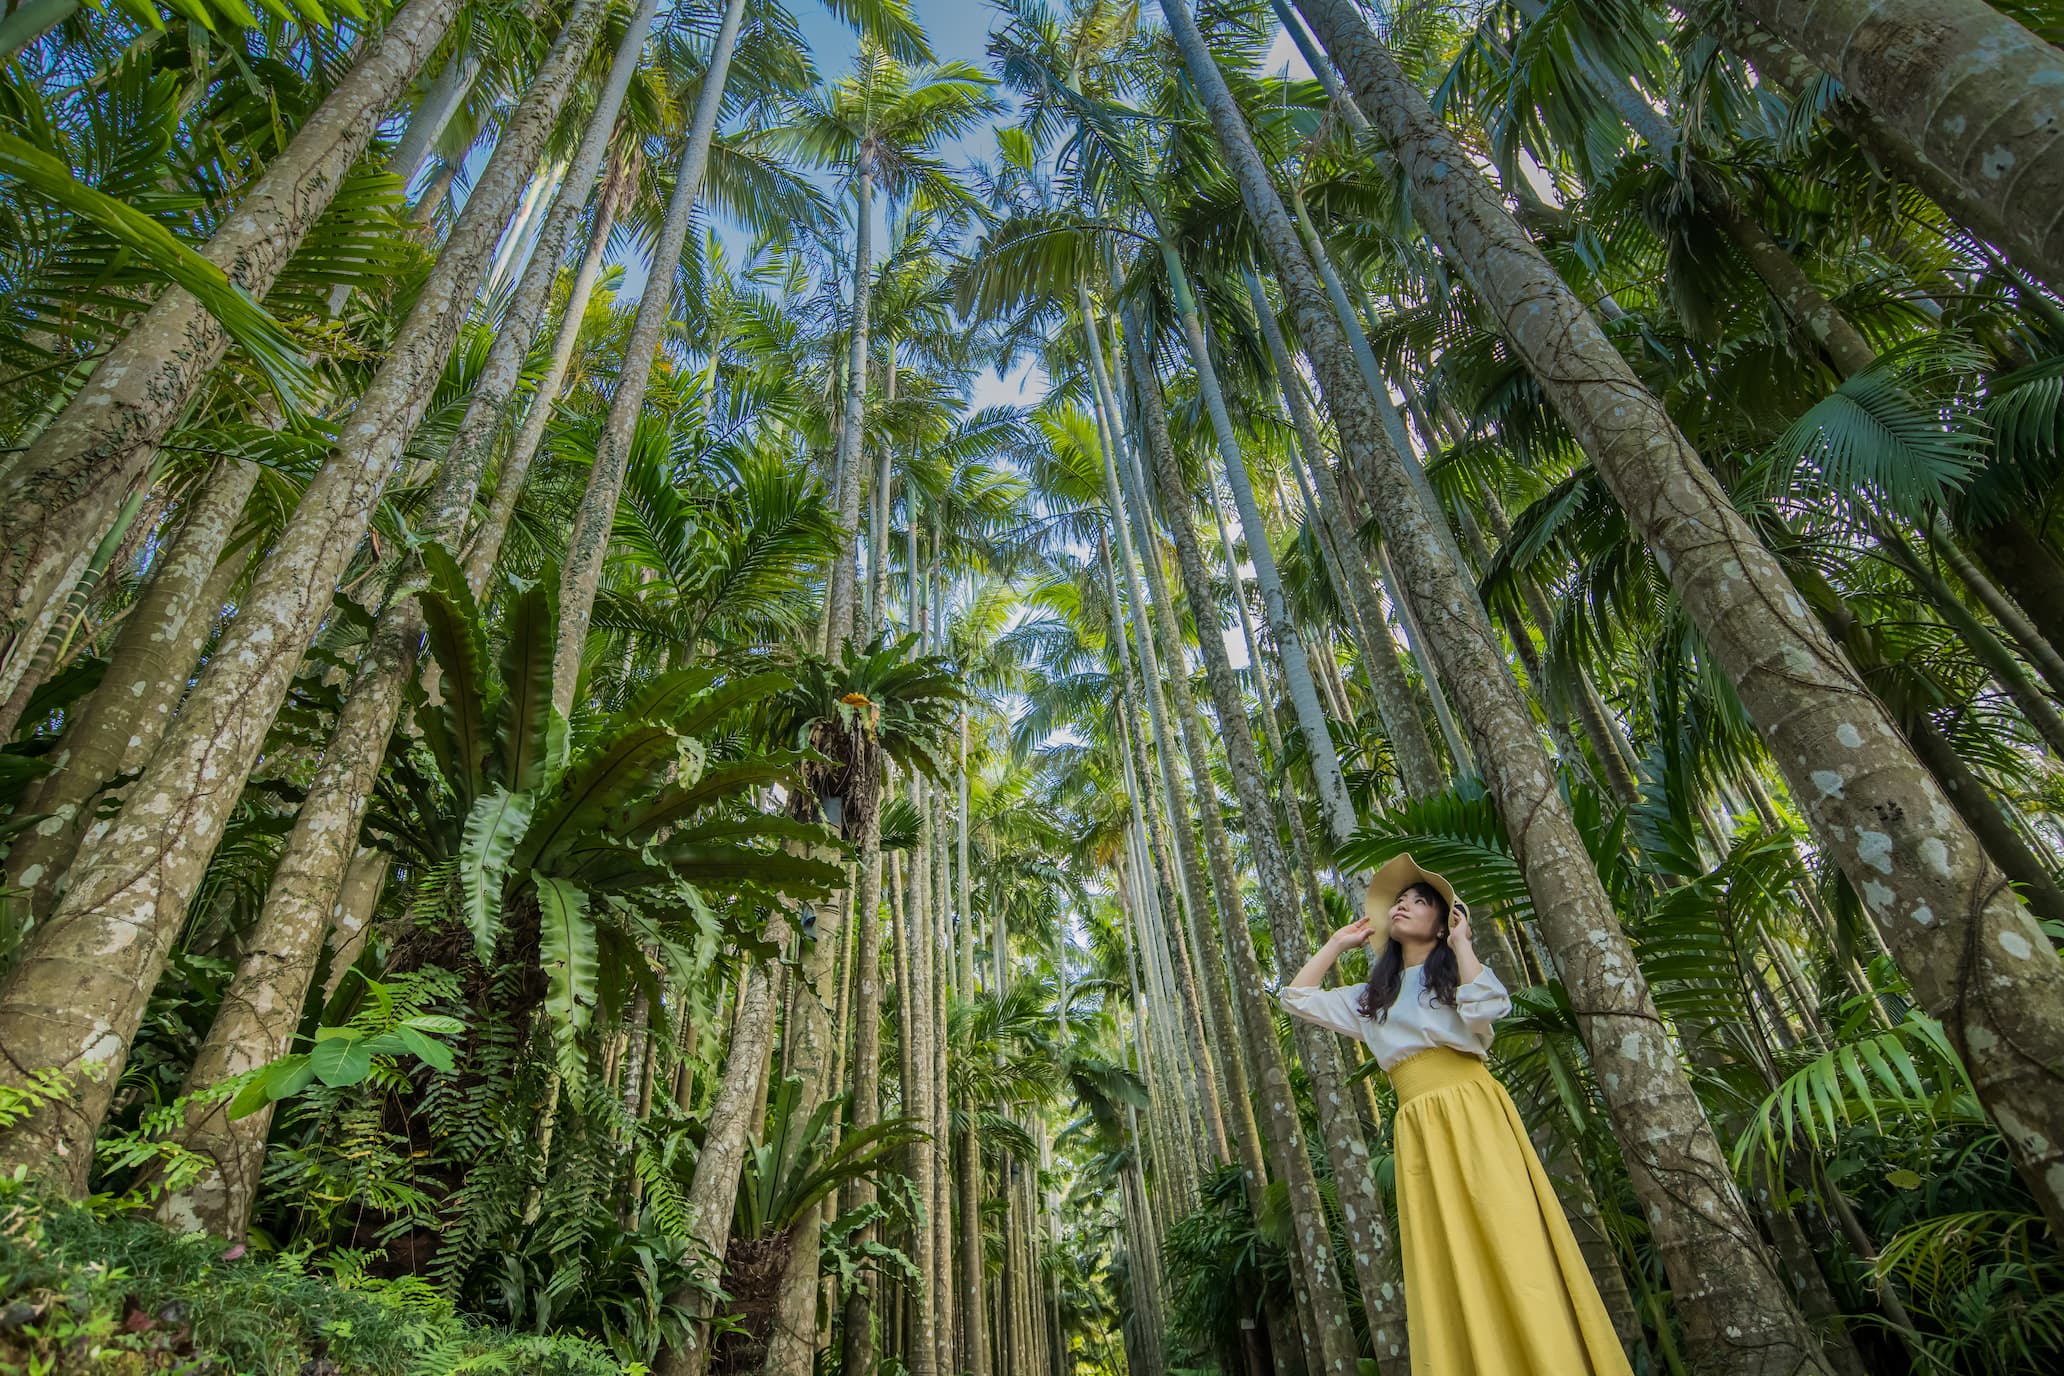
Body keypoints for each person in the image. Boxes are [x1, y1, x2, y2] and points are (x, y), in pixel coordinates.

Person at [1280, 853, 1634, 1376]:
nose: (1402, 906)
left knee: (1510, 1237)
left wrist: (1463, 944)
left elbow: (1489, 1009)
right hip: (1418, 1127)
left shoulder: (1457, 980)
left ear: (1442, 922)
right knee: (1446, 1260)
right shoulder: (1373, 997)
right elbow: (1297, 998)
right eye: (1398, 901)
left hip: (1473, 1112)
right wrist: (1336, 944)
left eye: (1418, 901)